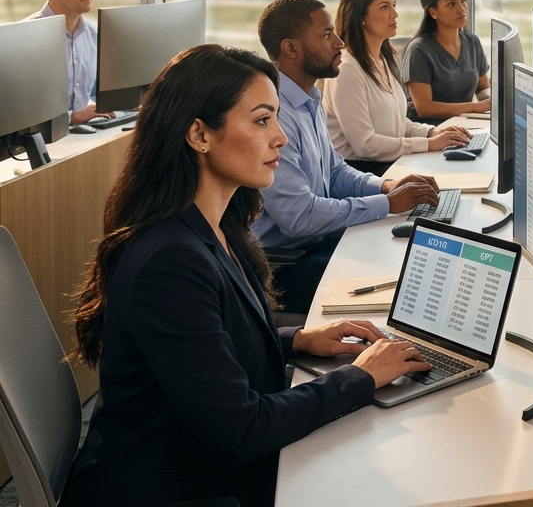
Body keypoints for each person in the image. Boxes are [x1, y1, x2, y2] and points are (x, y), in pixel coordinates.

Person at [62, 44, 432, 507]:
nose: (280, 137)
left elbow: (207, 342)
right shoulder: (168, 261)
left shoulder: (219, 225)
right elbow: (241, 429)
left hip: (204, 467)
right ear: (199, 134)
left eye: (276, 118)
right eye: (261, 121)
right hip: (173, 488)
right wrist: (358, 377)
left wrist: (298, 339)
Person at [255, 0, 440, 314]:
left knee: (415, 257)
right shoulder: (277, 113)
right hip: (287, 266)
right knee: (406, 282)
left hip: (318, 243)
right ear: (291, 49)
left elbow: (336, 171)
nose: (340, 43)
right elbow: (299, 217)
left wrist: (385, 188)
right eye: (327, 35)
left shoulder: (308, 97)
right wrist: (387, 204)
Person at [326, 0, 471, 176]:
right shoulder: (348, 69)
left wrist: (432, 132)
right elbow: (365, 145)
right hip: (362, 171)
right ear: (361, 16)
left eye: (394, 5)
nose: (394, 14)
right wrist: (427, 144)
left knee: (457, 169)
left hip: (391, 162)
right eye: (384, 7)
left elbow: (395, 124)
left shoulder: (383, 59)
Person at [24, 0, 113, 125]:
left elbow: (94, 93)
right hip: (45, 142)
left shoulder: (94, 35)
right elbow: (18, 108)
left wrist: (121, 104)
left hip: (86, 134)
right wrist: (70, 117)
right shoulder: (26, 38)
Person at [401, 0, 490, 123]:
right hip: (430, 132)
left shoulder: (472, 42)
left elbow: (482, 89)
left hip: (465, 126)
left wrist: (491, 101)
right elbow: (424, 108)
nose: (462, 8)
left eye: (463, 1)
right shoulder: (418, 50)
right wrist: (475, 107)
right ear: (433, 12)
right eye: (451, 4)